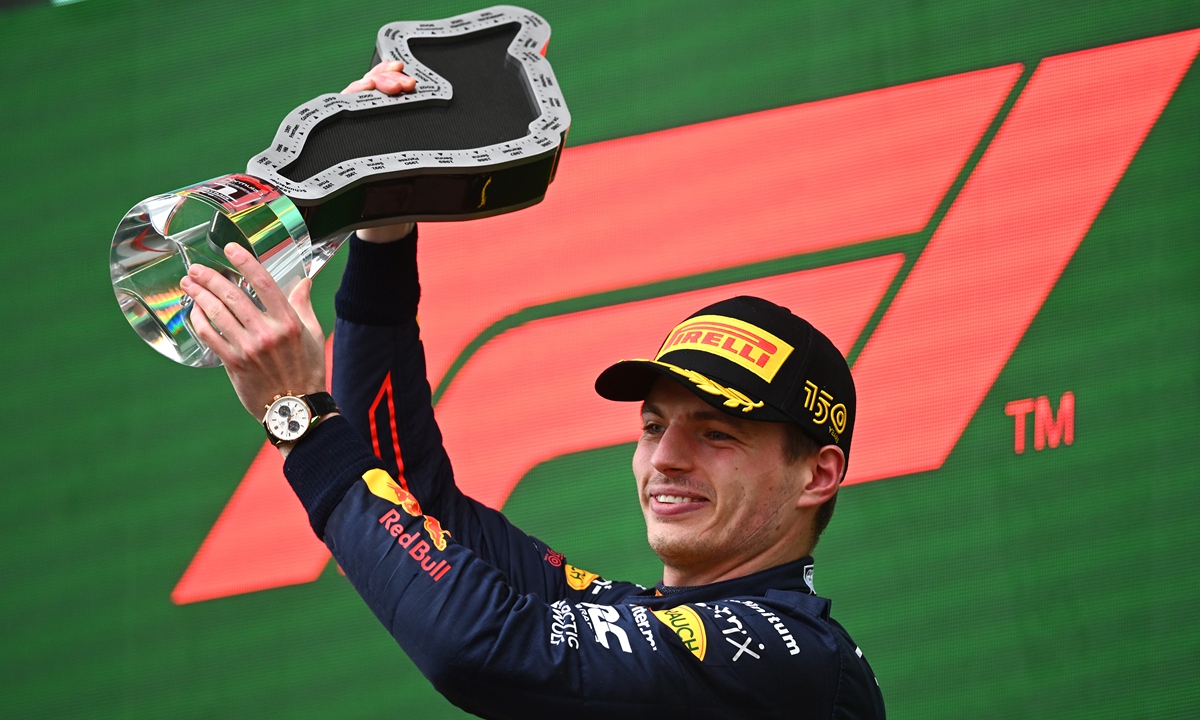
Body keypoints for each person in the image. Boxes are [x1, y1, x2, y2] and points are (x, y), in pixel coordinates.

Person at [177, 61, 886, 719]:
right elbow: (408, 499)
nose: (666, 457)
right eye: (651, 425)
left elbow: (479, 647)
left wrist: (299, 416)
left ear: (816, 475)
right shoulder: (636, 617)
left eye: (716, 432)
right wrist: (382, 229)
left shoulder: (791, 656)